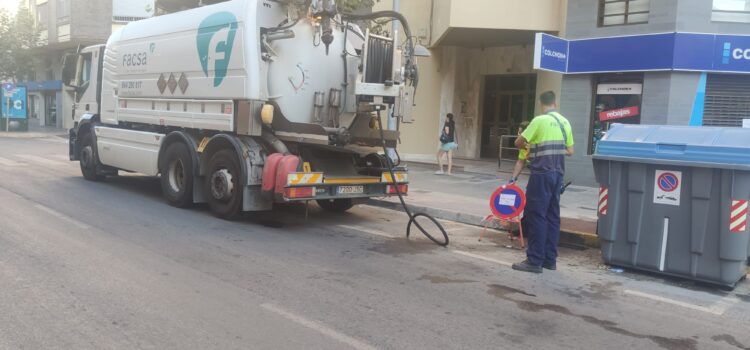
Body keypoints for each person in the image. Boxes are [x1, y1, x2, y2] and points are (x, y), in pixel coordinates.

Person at [511, 91, 574, 274]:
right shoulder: (565, 122)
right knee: (553, 216)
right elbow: (570, 150)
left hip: (541, 175)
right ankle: (549, 260)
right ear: (555, 103)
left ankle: (534, 261)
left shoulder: (539, 121)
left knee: (536, 215)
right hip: (558, 175)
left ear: (541, 103)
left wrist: (527, 142)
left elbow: (518, 143)